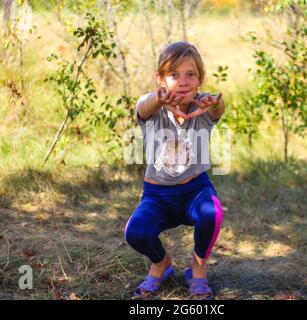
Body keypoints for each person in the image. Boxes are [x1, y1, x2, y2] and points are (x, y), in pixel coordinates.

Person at [124, 41, 226, 300]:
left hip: (196, 190)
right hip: (158, 196)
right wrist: (157, 98)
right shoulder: (152, 108)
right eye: (174, 75)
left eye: (190, 74)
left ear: (199, 79)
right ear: (160, 79)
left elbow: (217, 109)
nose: (183, 81)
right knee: (135, 233)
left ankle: (198, 268)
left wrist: (214, 103)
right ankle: (161, 263)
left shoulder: (202, 107)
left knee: (211, 212)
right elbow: (143, 106)